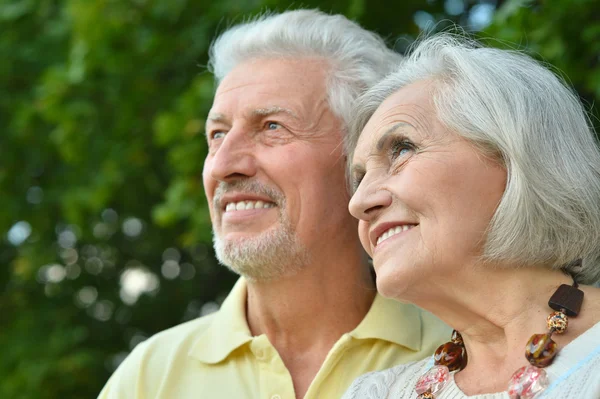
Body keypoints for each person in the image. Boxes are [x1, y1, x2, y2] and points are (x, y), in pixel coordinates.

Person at [98, 10, 450, 399]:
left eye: (271, 127)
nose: (223, 164)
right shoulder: (149, 378)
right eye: (217, 134)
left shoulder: (463, 356)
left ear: (363, 163)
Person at [342, 33, 600, 399]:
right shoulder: (376, 393)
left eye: (402, 148)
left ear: (514, 156)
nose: (359, 202)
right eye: (359, 178)